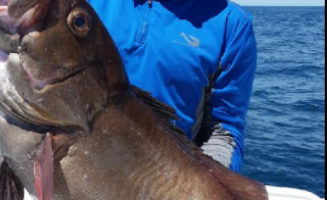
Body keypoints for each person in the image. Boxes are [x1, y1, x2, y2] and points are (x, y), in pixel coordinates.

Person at [86, 0, 257, 172]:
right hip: (80, 168)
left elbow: (223, 129)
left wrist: (205, 184)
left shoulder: (232, 23)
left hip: (169, 182)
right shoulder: (85, 4)